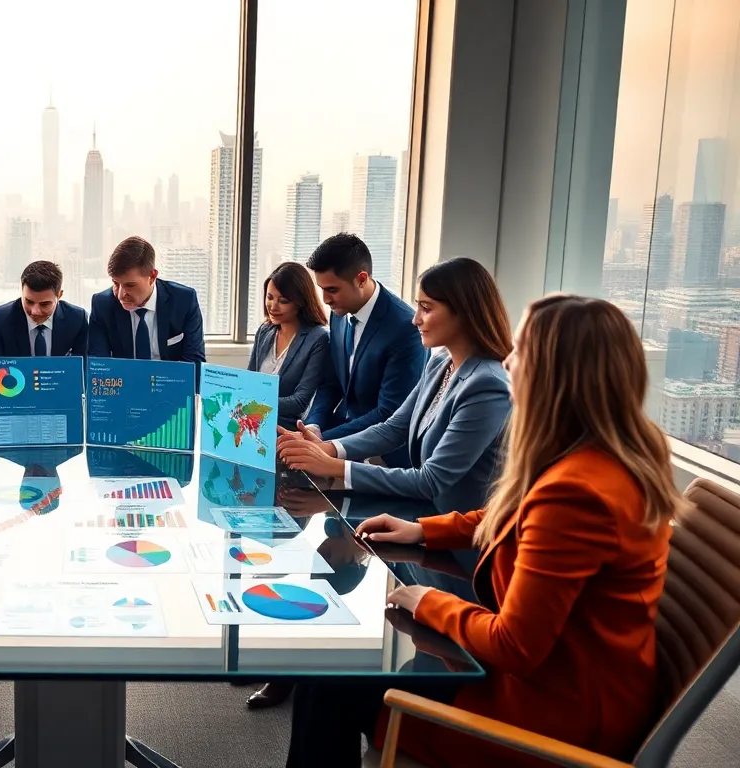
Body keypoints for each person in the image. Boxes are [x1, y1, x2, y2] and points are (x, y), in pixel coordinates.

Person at [284, 294, 685, 768]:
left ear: (556, 376)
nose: (510, 360)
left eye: (523, 350)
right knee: (329, 674)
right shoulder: (600, 455)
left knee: (326, 681)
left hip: (547, 716)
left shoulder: (578, 493)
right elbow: (512, 516)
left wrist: (429, 601)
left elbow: (516, 646)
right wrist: (424, 531)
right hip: (571, 680)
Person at [277, 257, 512, 515]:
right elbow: (394, 428)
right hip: (423, 519)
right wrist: (327, 448)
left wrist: (332, 465)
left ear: (464, 313)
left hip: (463, 538)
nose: (416, 320)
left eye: (427, 308)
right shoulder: (440, 363)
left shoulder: (488, 385)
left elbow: (431, 480)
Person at [303, 233, 427, 467]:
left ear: (361, 279)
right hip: (338, 438)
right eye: (321, 289)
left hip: (387, 455)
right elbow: (330, 383)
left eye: (332, 290)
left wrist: (323, 443)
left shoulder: (405, 328)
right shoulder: (339, 313)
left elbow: (389, 412)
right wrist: (314, 426)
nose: (325, 299)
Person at [86, 236, 205, 376]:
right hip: (124, 389)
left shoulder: (184, 300)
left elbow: (194, 366)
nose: (120, 295)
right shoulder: (102, 304)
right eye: (116, 284)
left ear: (152, 276)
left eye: (130, 285)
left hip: (170, 388)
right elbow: (99, 368)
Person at [247, 261, 331, 427]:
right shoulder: (265, 331)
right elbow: (250, 381)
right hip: (252, 422)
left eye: (283, 300)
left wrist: (255, 403)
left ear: (301, 302)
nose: (273, 306)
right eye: (269, 297)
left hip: (285, 428)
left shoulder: (318, 338)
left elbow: (300, 402)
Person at [0, 260, 88, 359]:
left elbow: (83, 370)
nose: (35, 311)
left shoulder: (77, 319)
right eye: (29, 301)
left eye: (44, 304)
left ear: (59, 295)